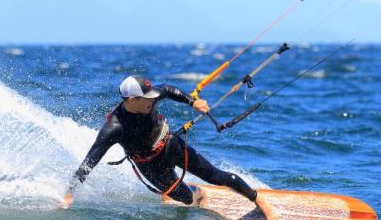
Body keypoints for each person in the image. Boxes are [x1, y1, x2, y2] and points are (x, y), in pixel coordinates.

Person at [62, 75, 257, 208]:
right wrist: (69, 193)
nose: (152, 101)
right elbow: (90, 160)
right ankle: (194, 191)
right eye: (147, 99)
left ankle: (259, 201)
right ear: (131, 100)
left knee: (216, 175)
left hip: (170, 145)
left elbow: (167, 89)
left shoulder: (150, 97)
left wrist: (192, 101)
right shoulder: (114, 128)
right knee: (187, 200)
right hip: (148, 166)